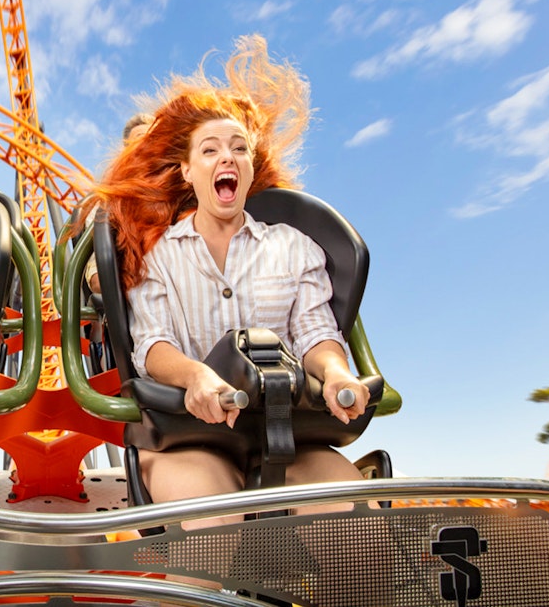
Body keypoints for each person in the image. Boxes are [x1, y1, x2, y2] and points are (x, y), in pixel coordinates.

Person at [79, 35, 370, 530]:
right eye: (209, 150)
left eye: (238, 148)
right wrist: (194, 377)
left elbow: (318, 334)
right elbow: (152, 341)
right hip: (189, 435)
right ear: (187, 171)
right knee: (211, 536)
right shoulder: (154, 252)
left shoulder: (295, 245)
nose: (226, 158)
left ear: (252, 167)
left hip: (289, 432)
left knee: (359, 538)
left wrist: (337, 374)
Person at [84, 112, 154, 295]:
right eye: (140, 140)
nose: (148, 146)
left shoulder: (186, 193)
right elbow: (98, 280)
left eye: (155, 139)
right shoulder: (106, 204)